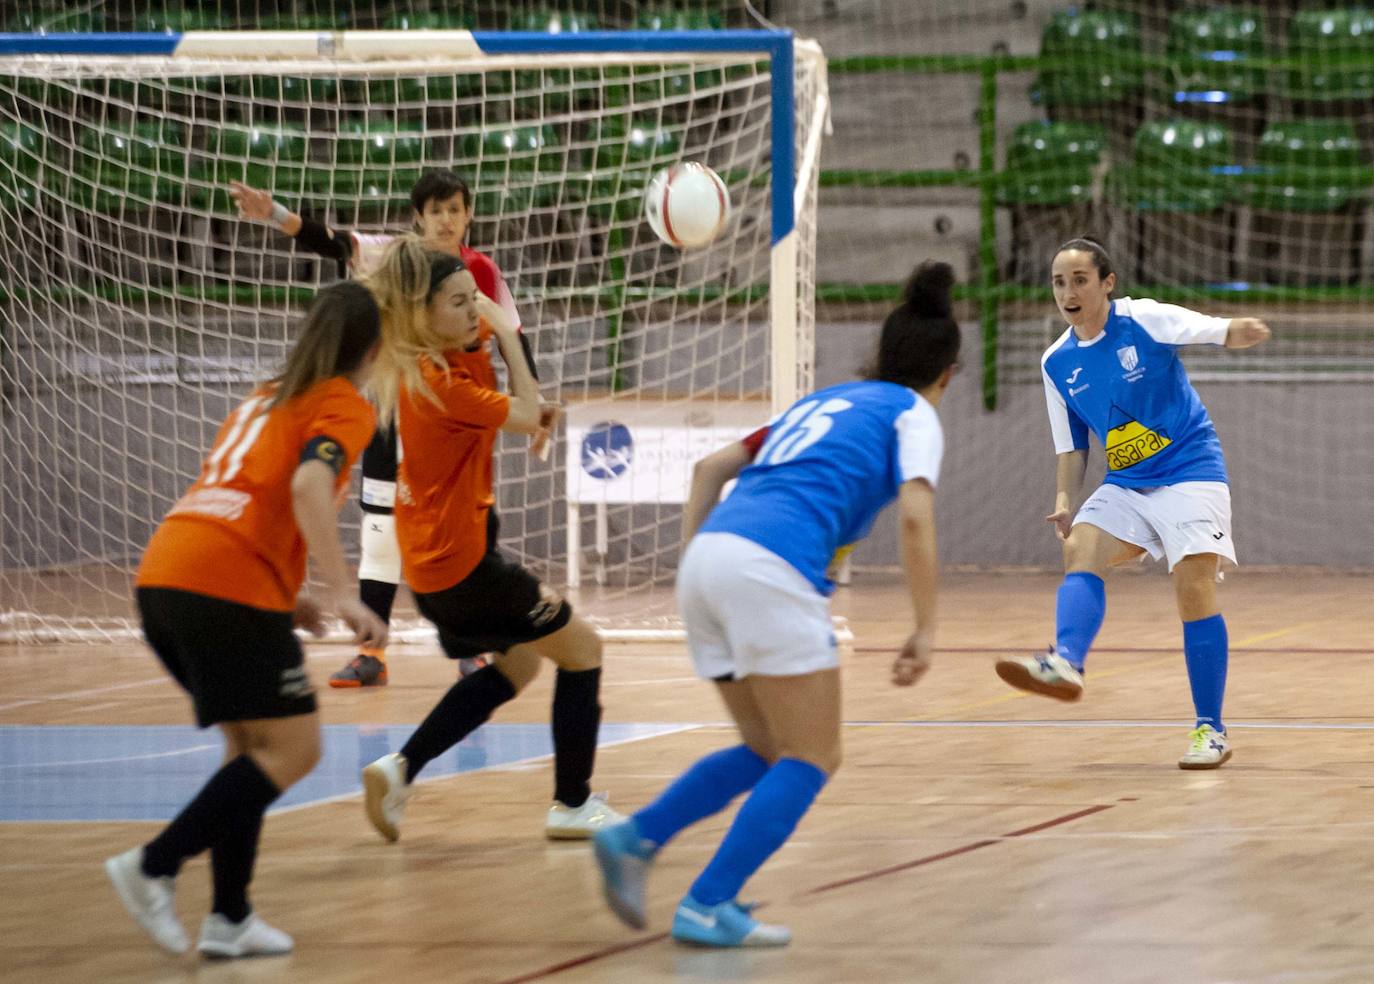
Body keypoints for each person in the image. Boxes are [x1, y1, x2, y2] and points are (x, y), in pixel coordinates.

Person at [591, 261, 960, 947]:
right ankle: (707, 902)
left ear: (879, 354)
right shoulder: (915, 413)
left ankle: (637, 836)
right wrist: (926, 628)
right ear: (948, 373)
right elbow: (915, 514)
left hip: (709, 559)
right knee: (815, 756)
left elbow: (709, 469)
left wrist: (700, 563)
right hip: (769, 568)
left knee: (766, 746)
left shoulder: (821, 403)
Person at [104, 281, 389, 958]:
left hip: (167, 576)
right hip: (222, 585)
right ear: (375, 350)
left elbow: (241, 493)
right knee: (297, 749)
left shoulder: (263, 397)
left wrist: (291, 597)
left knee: (249, 747)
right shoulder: (345, 404)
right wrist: (345, 591)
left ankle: (230, 916)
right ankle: (153, 865)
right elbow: (305, 485)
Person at [230, 171, 550, 688]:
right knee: (380, 529)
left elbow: (515, 337)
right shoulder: (392, 258)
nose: (446, 219)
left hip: (456, 420)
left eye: (455, 209)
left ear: (469, 214)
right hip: (395, 411)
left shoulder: (481, 272)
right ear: (418, 217)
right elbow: (330, 241)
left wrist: (531, 409)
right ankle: (370, 654)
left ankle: (472, 646)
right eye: (436, 210)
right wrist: (271, 213)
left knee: (468, 526)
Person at [357, 237, 621, 841]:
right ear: (423, 316)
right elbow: (520, 410)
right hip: (465, 567)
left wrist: (524, 396)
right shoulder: (435, 382)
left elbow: (512, 408)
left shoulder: (442, 363)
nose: (474, 311)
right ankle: (572, 805)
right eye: (459, 303)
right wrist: (507, 332)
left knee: (519, 665)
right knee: (584, 650)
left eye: (475, 300)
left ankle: (399, 769)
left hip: (437, 568)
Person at [993, 237, 1271, 769]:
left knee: (1193, 589)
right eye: (1058, 281)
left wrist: (1241, 330)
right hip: (1125, 483)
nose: (1068, 292)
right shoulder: (1056, 363)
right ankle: (1066, 662)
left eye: (1079, 279)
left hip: (1191, 474)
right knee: (1080, 549)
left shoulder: (1144, 320)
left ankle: (1209, 729)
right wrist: (1062, 499)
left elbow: (1211, 330)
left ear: (1107, 283)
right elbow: (1072, 446)